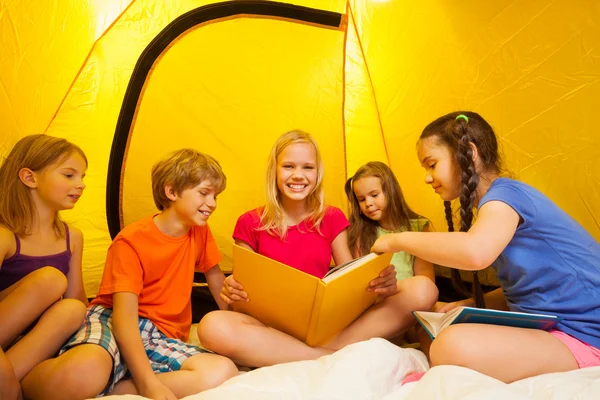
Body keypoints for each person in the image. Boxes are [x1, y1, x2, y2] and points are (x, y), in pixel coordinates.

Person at [372, 111, 600, 383]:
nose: (427, 178)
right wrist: (468, 303)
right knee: (433, 327)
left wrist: (396, 239)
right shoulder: (496, 207)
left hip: (585, 334)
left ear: (468, 154)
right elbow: (527, 289)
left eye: (431, 165)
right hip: (552, 326)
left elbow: (474, 252)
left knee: (450, 343)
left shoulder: (506, 196)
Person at [198, 130, 438, 367]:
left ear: (317, 173)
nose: (298, 175)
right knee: (212, 325)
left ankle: (315, 351)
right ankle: (326, 356)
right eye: (289, 166)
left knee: (422, 289)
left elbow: (349, 279)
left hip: (326, 328)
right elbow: (240, 297)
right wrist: (233, 290)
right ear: (275, 170)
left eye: (308, 168)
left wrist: (377, 287)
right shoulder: (250, 222)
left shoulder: (332, 217)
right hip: (271, 329)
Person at [26, 149, 238, 400]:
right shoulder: (131, 241)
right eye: (204, 193)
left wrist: (239, 322)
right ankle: (24, 383)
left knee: (221, 372)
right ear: (172, 192)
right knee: (85, 370)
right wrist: (149, 386)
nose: (212, 203)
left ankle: (112, 387)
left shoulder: (199, 231)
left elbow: (217, 282)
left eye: (216, 196)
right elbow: (124, 319)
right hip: (115, 317)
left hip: (160, 334)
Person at [0, 134, 88, 397]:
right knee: (50, 279)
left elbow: (77, 299)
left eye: (83, 177)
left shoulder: (72, 237)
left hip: (30, 345)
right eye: (69, 175)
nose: (81, 185)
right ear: (30, 178)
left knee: (73, 309)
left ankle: (9, 383)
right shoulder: (5, 236)